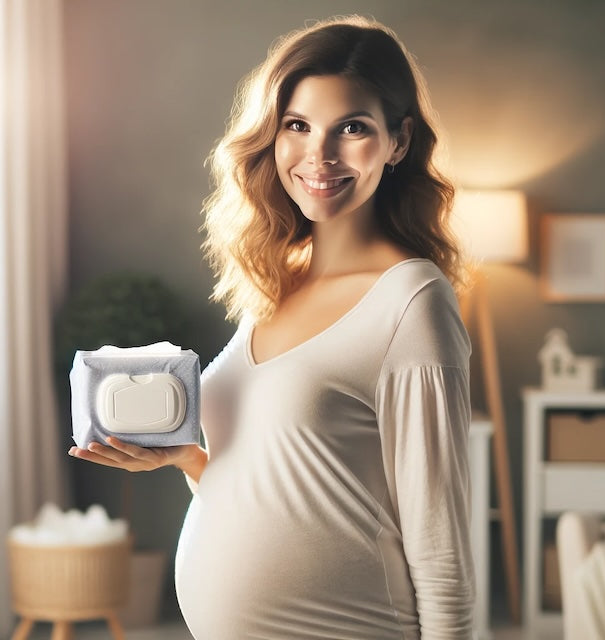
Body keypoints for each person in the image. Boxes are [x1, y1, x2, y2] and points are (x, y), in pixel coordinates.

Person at [68, 15, 475, 639]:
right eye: (298, 126)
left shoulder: (412, 300)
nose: (321, 155)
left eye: (354, 129)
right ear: (273, 137)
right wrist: (188, 461)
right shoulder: (276, 282)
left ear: (399, 141)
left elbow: (443, 550)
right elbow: (291, 488)